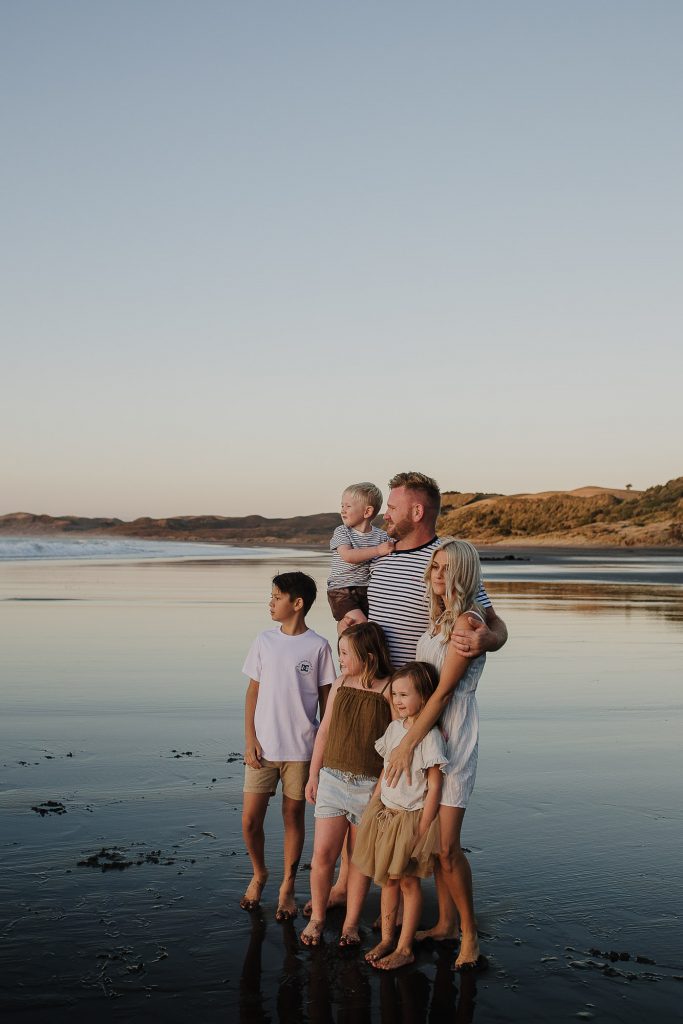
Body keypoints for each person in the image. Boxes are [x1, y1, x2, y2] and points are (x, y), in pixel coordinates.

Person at [383, 538, 490, 972]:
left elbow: (444, 692)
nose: (438, 575)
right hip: (429, 734)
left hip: (453, 736)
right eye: (434, 567)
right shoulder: (439, 619)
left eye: (447, 568)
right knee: (436, 844)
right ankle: (445, 923)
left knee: (447, 847)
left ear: (464, 574)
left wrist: (406, 744)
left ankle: (470, 934)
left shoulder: (466, 622)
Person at [241, 571, 336, 920]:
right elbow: (252, 693)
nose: (270, 602)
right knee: (250, 821)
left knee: (293, 817)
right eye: (271, 596)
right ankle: (259, 873)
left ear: (297, 604)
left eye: (276, 597)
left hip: (301, 751)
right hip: (263, 749)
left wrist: (323, 754)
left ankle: (287, 887)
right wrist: (250, 739)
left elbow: (328, 703)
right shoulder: (264, 641)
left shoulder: (318, 646)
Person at [299, 622, 394, 948]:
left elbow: (395, 745)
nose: (339, 659)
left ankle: (351, 924)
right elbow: (324, 732)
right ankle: (318, 918)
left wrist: (380, 794)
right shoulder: (340, 684)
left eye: (344, 653)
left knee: (358, 860)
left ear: (368, 656)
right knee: (322, 855)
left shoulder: (388, 690)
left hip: (368, 787)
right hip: (332, 780)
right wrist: (313, 775)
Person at [353, 662, 447, 969]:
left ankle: (405, 947)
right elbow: (386, 769)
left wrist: (422, 828)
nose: (397, 700)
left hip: (410, 819)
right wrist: (374, 801)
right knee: (387, 882)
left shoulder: (430, 737)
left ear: (425, 697)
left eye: (404, 695)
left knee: (408, 883)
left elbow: (434, 786)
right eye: (394, 694)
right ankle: (386, 939)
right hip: (385, 814)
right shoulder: (395, 729)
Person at [327, 481, 395, 629]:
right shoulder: (342, 531)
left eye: (348, 506)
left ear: (367, 512)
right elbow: (348, 556)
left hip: (367, 591)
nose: (343, 511)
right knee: (362, 626)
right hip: (342, 590)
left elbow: (395, 547)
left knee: (364, 631)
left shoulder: (381, 536)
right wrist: (378, 550)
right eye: (342, 506)